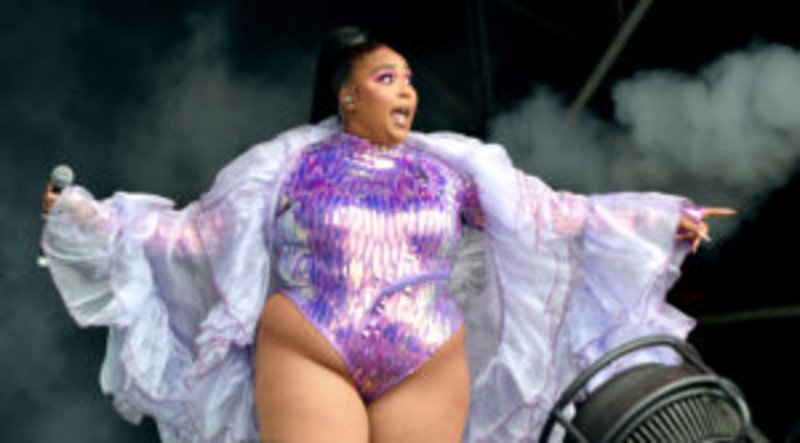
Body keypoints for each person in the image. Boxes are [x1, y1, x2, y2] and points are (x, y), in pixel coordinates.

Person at [41, 26, 733, 443]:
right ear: (348, 95)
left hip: (426, 359)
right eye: (387, 78)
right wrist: (84, 218)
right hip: (312, 350)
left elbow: (548, 217)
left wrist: (657, 218)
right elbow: (196, 236)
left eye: (408, 79)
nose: (407, 91)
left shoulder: (453, 168)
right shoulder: (283, 166)